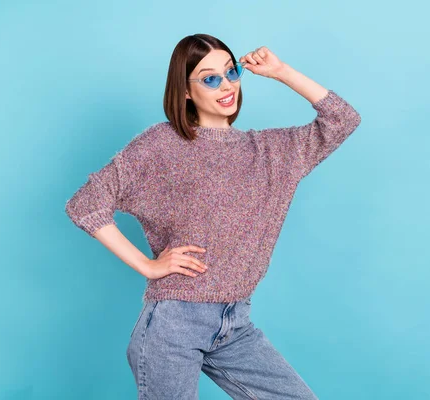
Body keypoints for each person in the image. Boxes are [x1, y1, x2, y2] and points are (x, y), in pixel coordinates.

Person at [65, 33, 361, 399]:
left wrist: (281, 71)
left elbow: (342, 119)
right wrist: (149, 266)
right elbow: (85, 204)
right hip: (173, 325)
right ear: (185, 91)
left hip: (235, 324)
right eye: (209, 78)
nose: (227, 86)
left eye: (231, 72)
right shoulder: (163, 144)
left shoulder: (270, 152)